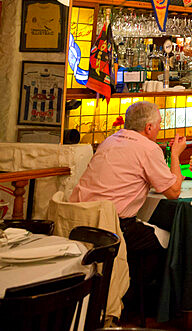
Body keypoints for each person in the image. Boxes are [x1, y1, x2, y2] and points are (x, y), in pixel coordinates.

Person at [71, 101, 185, 313]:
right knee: (173, 237)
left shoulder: (109, 141)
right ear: (149, 128)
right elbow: (174, 191)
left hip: (79, 221)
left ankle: (127, 294)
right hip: (112, 228)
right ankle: (148, 302)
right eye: (159, 124)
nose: (160, 128)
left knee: (149, 234)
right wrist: (176, 154)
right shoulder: (148, 148)